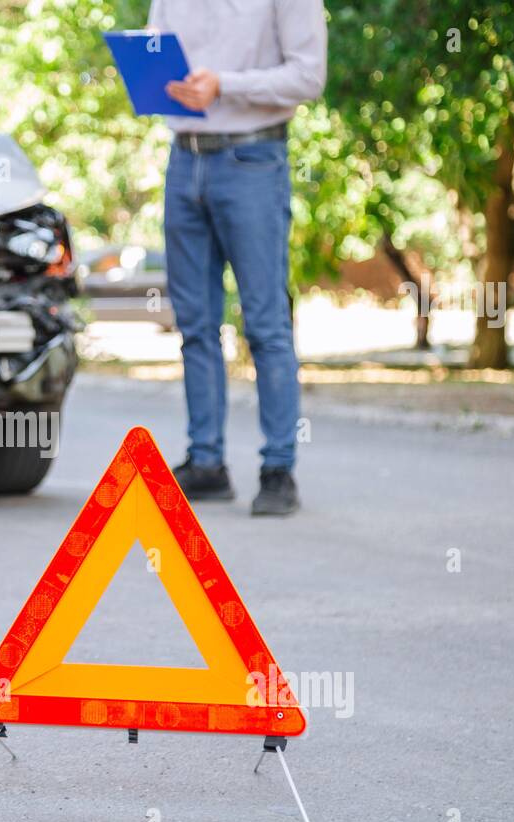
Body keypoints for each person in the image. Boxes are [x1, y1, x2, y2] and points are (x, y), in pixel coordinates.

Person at [150, 0, 327, 515]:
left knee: (266, 324)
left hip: (252, 158)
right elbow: (156, 51)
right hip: (183, 158)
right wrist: (151, 75)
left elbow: (309, 76)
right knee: (195, 325)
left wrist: (224, 84)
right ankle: (206, 463)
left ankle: (278, 469)